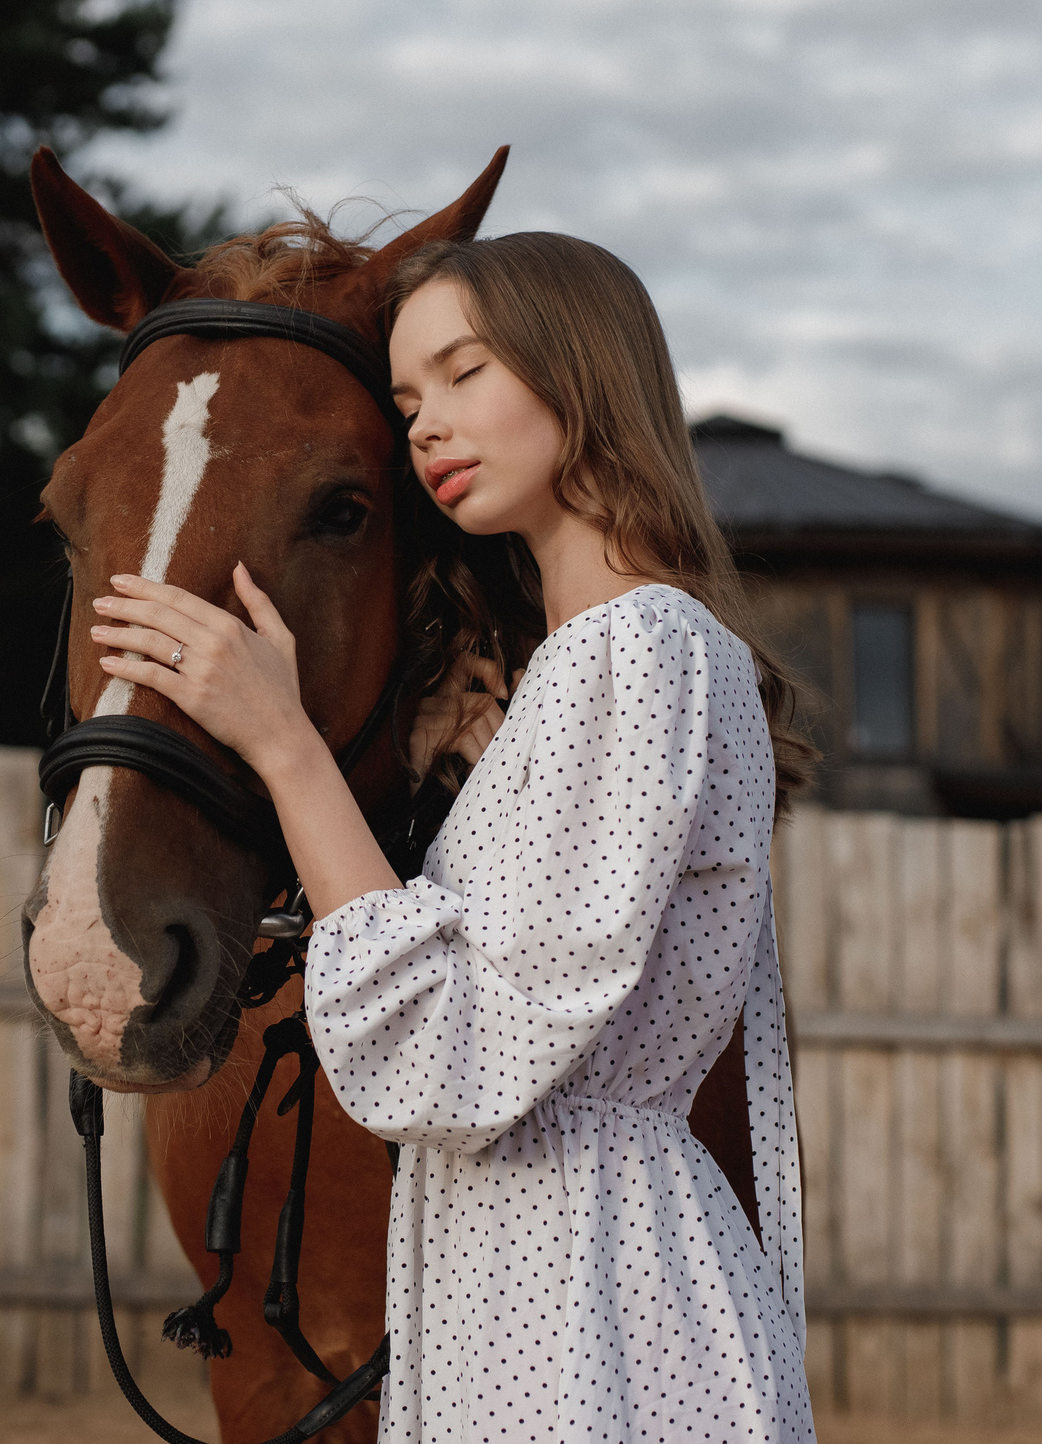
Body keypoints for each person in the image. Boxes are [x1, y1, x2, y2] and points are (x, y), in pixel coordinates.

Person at [84, 230, 819, 1442]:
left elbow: (454, 1067)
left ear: (581, 375)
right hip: (551, 1290)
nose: (426, 423)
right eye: (409, 397)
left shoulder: (636, 653)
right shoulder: (604, 665)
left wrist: (283, 744)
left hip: (589, 1318)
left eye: (465, 372)